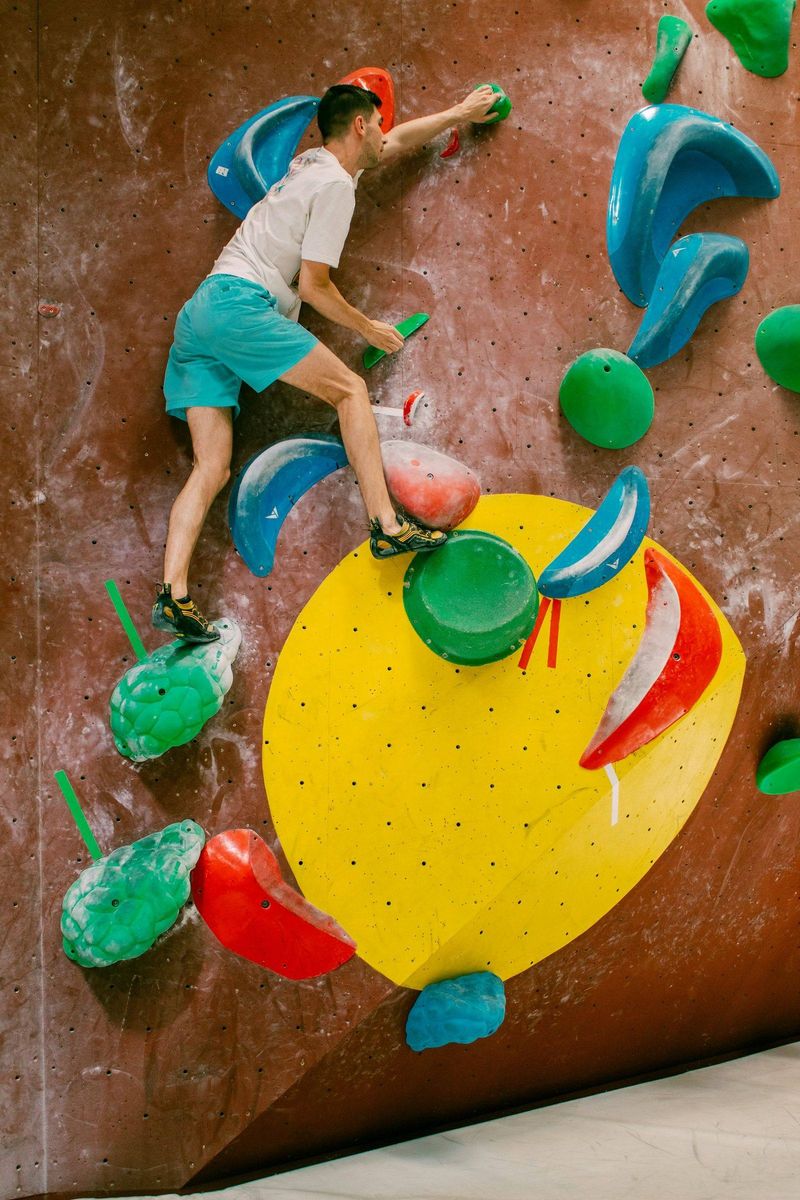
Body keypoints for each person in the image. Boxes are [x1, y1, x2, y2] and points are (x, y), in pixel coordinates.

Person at [153, 81, 500, 642]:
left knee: (210, 468)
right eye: (378, 124)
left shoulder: (311, 164)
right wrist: (368, 327)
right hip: (240, 307)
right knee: (350, 391)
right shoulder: (335, 185)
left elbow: (396, 144)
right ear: (360, 125)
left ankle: (174, 594)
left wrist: (460, 112)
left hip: (201, 316)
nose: (385, 134)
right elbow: (315, 287)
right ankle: (387, 525)